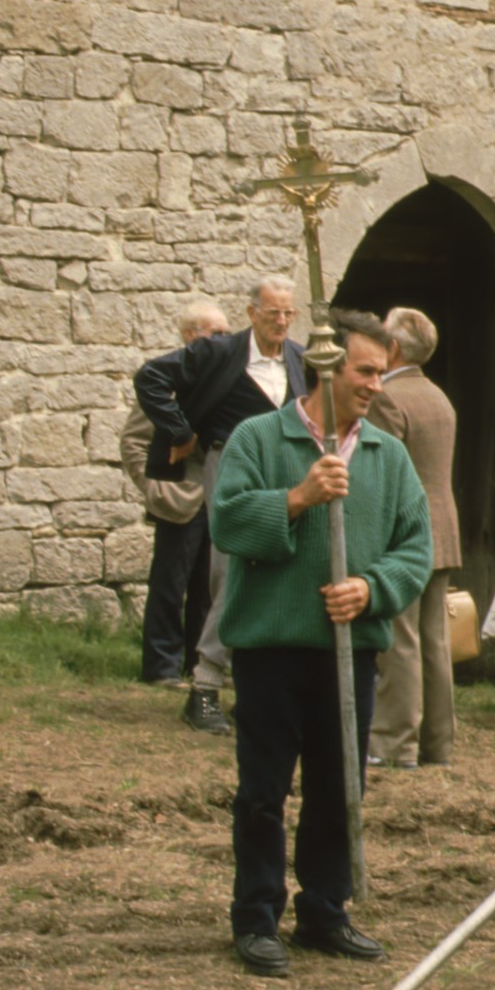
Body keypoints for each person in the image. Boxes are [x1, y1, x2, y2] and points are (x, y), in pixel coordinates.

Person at [212, 312, 434, 978]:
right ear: (327, 369)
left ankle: (325, 911)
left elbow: (414, 548)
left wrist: (371, 588)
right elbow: (226, 521)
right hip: (272, 650)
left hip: (348, 654)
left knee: (339, 788)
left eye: (381, 372)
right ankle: (256, 917)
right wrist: (297, 498)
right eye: (366, 371)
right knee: (262, 791)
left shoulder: (385, 455)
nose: (377, 384)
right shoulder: (261, 437)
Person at [134, 276, 309, 735]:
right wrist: (179, 432)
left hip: (285, 474)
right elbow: (151, 376)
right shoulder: (218, 353)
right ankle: (205, 688)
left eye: (288, 313)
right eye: (273, 312)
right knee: (231, 570)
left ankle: (257, 691)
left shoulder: (299, 359)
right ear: (252, 313)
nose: (281, 321)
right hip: (230, 465)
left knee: (281, 571)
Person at [364, 307, 459, 771]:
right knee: (433, 640)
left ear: (394, 348)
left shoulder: (387, 396)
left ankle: (392, 741)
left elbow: (382, 473)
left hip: (405, 529)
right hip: (441, 526)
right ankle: (437, 743)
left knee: (398, 639)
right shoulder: (437, 395)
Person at [125, 299, 226, 688]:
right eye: (214, 334)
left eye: (226, 333)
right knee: (170, 584)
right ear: (190, 336)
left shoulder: (220, 379)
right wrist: (154, 489)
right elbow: (134, 441)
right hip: (178, 498)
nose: (222, 341)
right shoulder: (167, 380)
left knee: (208, 586)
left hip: (215, 497)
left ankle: (198, 664)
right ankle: (161, 667)